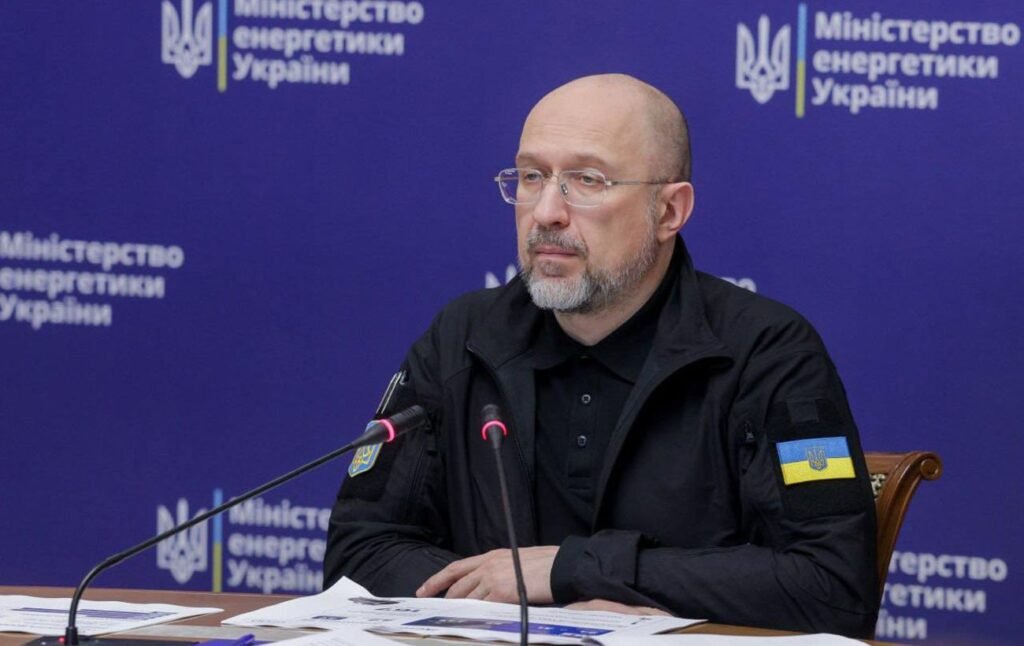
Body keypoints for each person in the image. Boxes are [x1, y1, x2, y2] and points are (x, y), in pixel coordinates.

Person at [324, 73, 879, 638]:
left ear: (669, 211)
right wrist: (528, 615)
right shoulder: (464, 337)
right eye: (532, 176)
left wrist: (572, 569)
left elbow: (831, 586)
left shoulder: (767, 352)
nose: (546, 212)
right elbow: (358, 551)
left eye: (586, 180)